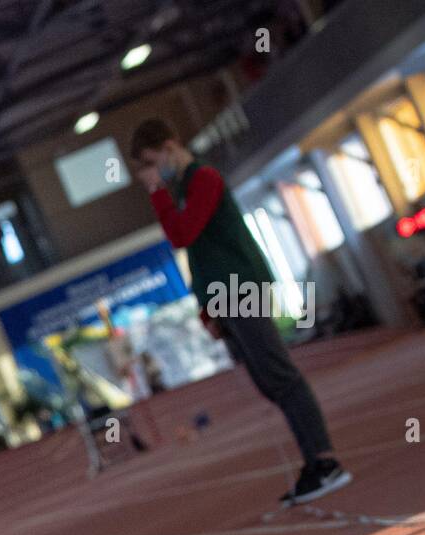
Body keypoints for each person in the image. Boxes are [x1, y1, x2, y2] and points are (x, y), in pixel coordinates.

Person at [130, 118, 351, 505]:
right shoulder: (183, 188)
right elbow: (197, 255)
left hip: (241, 287)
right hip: (224, 293)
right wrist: (208, 307)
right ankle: (314, 460)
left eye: (152, 162)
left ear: (169, 146)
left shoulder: (204, 179)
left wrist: (155, 193)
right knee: (267, 381)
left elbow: (182, 236)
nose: (153, 172)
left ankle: (326, 459)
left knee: (279, 373)